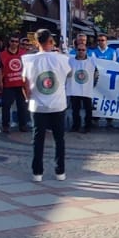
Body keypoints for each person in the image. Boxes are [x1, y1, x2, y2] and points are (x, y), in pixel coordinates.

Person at [21, 30, 70, 182]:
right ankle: (60, 171)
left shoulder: (28, 59)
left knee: (37, 139)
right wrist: (61, 54)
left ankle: (37, 173)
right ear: (51, 41)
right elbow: (69, 74)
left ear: (36, 42)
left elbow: (24, 81)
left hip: (37, 104)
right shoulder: (61, 59)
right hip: (57, 103)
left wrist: (27, 97)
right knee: (59, 139)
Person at [0, 35, 31, 133]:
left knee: (22, 106)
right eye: (12, 41)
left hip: (20, 84)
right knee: (6, 106)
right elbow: (0, 70)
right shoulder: (2, 54)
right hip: (8, 85)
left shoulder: (23, 54)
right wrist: (0, 82)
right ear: (9, 42)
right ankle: (6, 125)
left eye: (16, 42)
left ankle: (23, 125)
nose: (14, 43)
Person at [67, 36, 97, 133]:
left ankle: (87, 126)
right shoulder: (70, 60)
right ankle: (76, 125)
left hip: (87, 89)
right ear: (76, 50)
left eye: (83, 50)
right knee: (75, 109)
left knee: (88, 109)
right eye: (79, 49)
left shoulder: (92, 61)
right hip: (74, 88)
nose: (81, 51)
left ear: (86, 51)